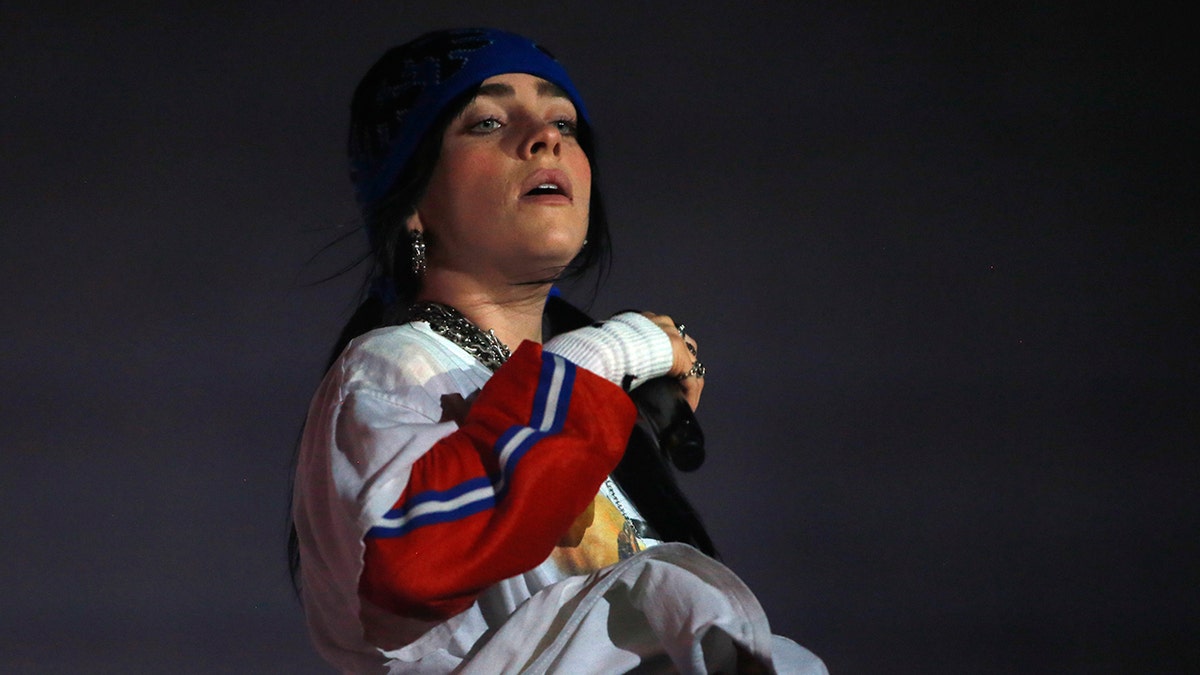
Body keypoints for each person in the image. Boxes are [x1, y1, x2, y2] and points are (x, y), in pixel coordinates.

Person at [291, 28, 827, 674]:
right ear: (410, 204)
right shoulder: (393, 368)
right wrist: (614, 350)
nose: (546, 138)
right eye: (487, 121)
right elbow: (415, 561)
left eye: (564, 123)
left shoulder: (577, 409)